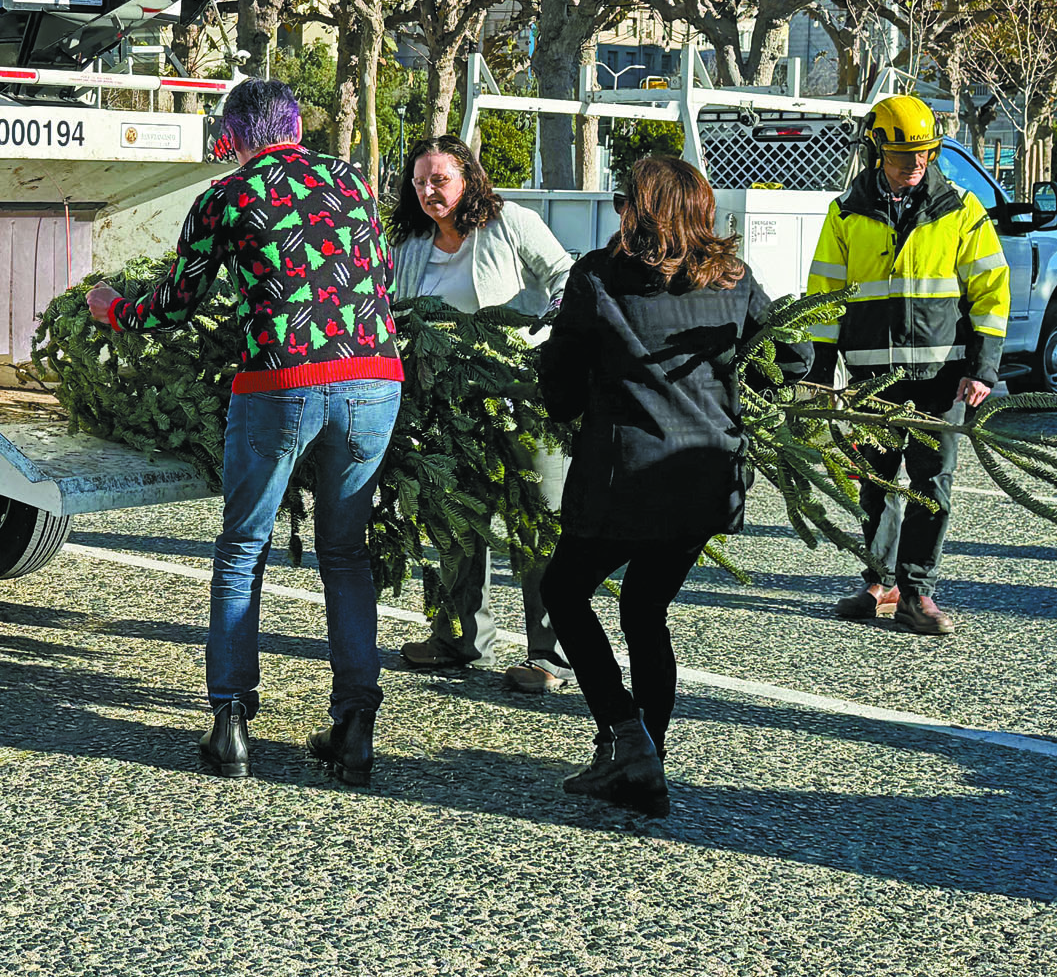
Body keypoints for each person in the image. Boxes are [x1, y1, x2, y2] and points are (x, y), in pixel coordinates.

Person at [85, 79, 404, 786]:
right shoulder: (350, 180)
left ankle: (230, 721)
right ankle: (354, 725)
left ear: (231, 138)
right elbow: (374, 277)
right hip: (375, 378)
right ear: (296, 125)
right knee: (345, 555)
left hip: (281, 383)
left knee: (241, 549)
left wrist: (112, 310)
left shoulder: (225, 196)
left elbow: (175, 303)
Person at [537, 156, 809, 817]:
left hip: (622, 478)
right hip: (706, 478)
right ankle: (644, 757)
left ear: (640, 209)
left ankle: (627, 738)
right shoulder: (733, 278)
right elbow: (788, 361)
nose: (616, 209)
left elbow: (561, 400)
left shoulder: (597, 278)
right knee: (643, 610)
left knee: (564, 591)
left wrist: (554, 348)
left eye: (621, 200)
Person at [807, 94, 1010, 636]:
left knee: (930, 486)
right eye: (904, 156)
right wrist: (820, 371)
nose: (916, 164)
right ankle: (882, 583)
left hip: (941, 379)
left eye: (924, 154)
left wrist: (982, 367)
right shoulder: (846, 213)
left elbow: (991, 291)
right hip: (873, 379)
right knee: (875, 481)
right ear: (877, 150)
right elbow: (824, 296)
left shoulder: (962, 210)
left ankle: (918, 592)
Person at [388, 135, 576, 693]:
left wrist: (545, 335)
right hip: (447, 409)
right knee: (454, 523)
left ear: (468, 178)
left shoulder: (510, 222)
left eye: (439, 179)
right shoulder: (412, 243)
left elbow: (565, 275)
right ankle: (459, 637)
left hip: (521, 400)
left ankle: (554, 655)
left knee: (539, 524)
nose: (428, 191)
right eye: (419, 181)